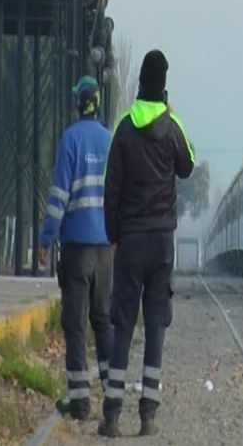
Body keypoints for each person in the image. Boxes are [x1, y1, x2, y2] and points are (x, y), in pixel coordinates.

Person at [100, 50, 193, 438]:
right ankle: (148, 414)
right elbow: (187, 166)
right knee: (155, 324)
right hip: (162, 242)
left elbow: (112, 187)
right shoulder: (172, 127)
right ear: (164, 85)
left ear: (139, 82)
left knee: (123, 323)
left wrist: (114, 236)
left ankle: (112, 414)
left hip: (132, 239)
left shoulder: (123, 127)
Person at [39, 76, 113, 421]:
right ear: (98, 103)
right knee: (102, 320)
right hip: (105, 250)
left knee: (74, 322)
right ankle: (112, 395)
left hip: (76, 249)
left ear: (76, 103)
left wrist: (45, 238)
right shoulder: (111, 141)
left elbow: (58, 198)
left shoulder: (70, 139)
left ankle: (80, 401)